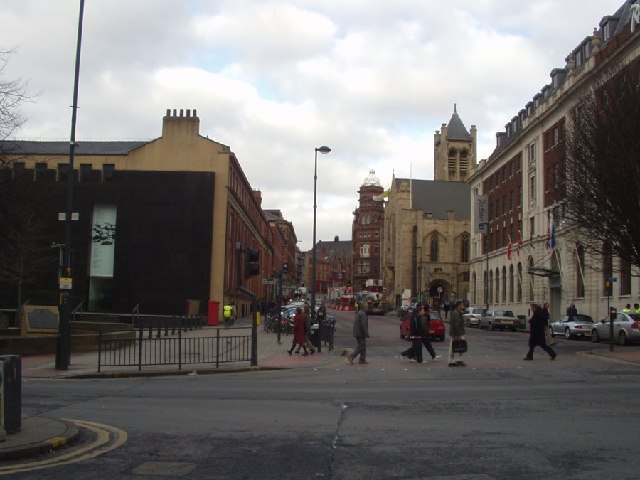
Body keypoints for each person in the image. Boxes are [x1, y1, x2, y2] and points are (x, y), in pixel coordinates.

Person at [448, 300, 466, 367]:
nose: (463, 306)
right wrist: (456, 335)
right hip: (456, 333)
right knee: (453, 347)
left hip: (458, 332)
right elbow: (456, 325)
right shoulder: (456, 313)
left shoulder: (458, 312)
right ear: (459, 306)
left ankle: (459, 360)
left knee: (461, 346)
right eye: (462, 305)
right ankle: (451, 361)